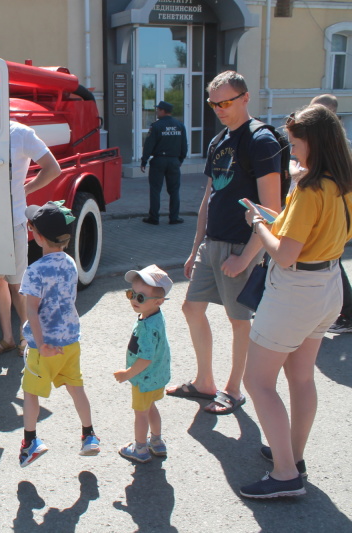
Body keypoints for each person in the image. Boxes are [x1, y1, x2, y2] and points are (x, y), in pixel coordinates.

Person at [239, 104, 352, 498]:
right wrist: (272, 216)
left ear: (313, 142)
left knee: (257, 380)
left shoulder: (309, 188)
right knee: (301, 377)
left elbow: (285, 254)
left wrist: (257, 225)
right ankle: (293, 456)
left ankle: (285, 474)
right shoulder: (341, 182)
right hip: (328, 285)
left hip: (295, 291)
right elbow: (303, 231)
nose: (291, 149)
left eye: (295, 142)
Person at [165, 71, 282, 415]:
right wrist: (194, 249)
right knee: (191, 307)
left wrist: (246, 258)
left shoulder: (261, 140)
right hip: (211, 245)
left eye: (226, 102)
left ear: (246, 98)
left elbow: (272, 209)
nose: (219, 109)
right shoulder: (218, 142)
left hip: (240, 247)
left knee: (239, 321)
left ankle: (234, 390)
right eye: (213, 103)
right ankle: (205, 383)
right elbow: (208, 200)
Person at [0, 84, 62, 357]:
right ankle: (7, 339)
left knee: (17, 283)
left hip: (12, 220)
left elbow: (53, 168)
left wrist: (27, 189)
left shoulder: (21, 134)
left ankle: (27, 339)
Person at [18, 201, 99, 466]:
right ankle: (89, 435)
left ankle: (30, 442)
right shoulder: (70, 263)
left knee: (30, 393)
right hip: (70, 342)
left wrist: (40, 345)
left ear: (37, 236)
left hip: (46, 347)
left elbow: (32, 311)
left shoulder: (35, 271)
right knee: (77, 389)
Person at [114, 265, 173, 463]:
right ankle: (156, 442)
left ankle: (140, 448)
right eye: (131, 293)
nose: (133, 300)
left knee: (140, 415)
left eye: (140, 297)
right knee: (151, 407)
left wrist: (128, 374)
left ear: (158, 301)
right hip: (157, 376)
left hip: (144, 378)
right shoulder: (155, 316)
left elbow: (145, 358)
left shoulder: (147, 327)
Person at [305, 95, 352, 335]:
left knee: (329, 264)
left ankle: (347, 314)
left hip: (333, 218)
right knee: (331, 265)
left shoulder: (339, 147)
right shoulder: (335, 145)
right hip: (332, 218)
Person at [140, 101, 188, 225]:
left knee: (155, 190)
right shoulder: (180, 125)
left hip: (159, 161)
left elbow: (149, 145)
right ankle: (174, 217)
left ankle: (154, 218)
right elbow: (184, 146)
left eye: (158, 110)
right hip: (174, 161)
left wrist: (144, 160)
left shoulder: (156, 126)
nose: (156, 111)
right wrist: (180, 160)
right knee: (174, 191)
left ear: (163, 111)